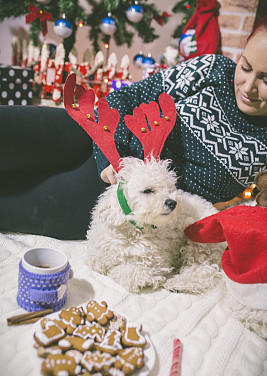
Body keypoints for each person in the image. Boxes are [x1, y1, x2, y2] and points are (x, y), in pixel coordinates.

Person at [0, 16, 266, 240]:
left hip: (120, 199)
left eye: (265, 78)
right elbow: (122, 98)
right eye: (245, 66)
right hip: (94, 134)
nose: (248, 86)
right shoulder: (212, 70)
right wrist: (109, 158)